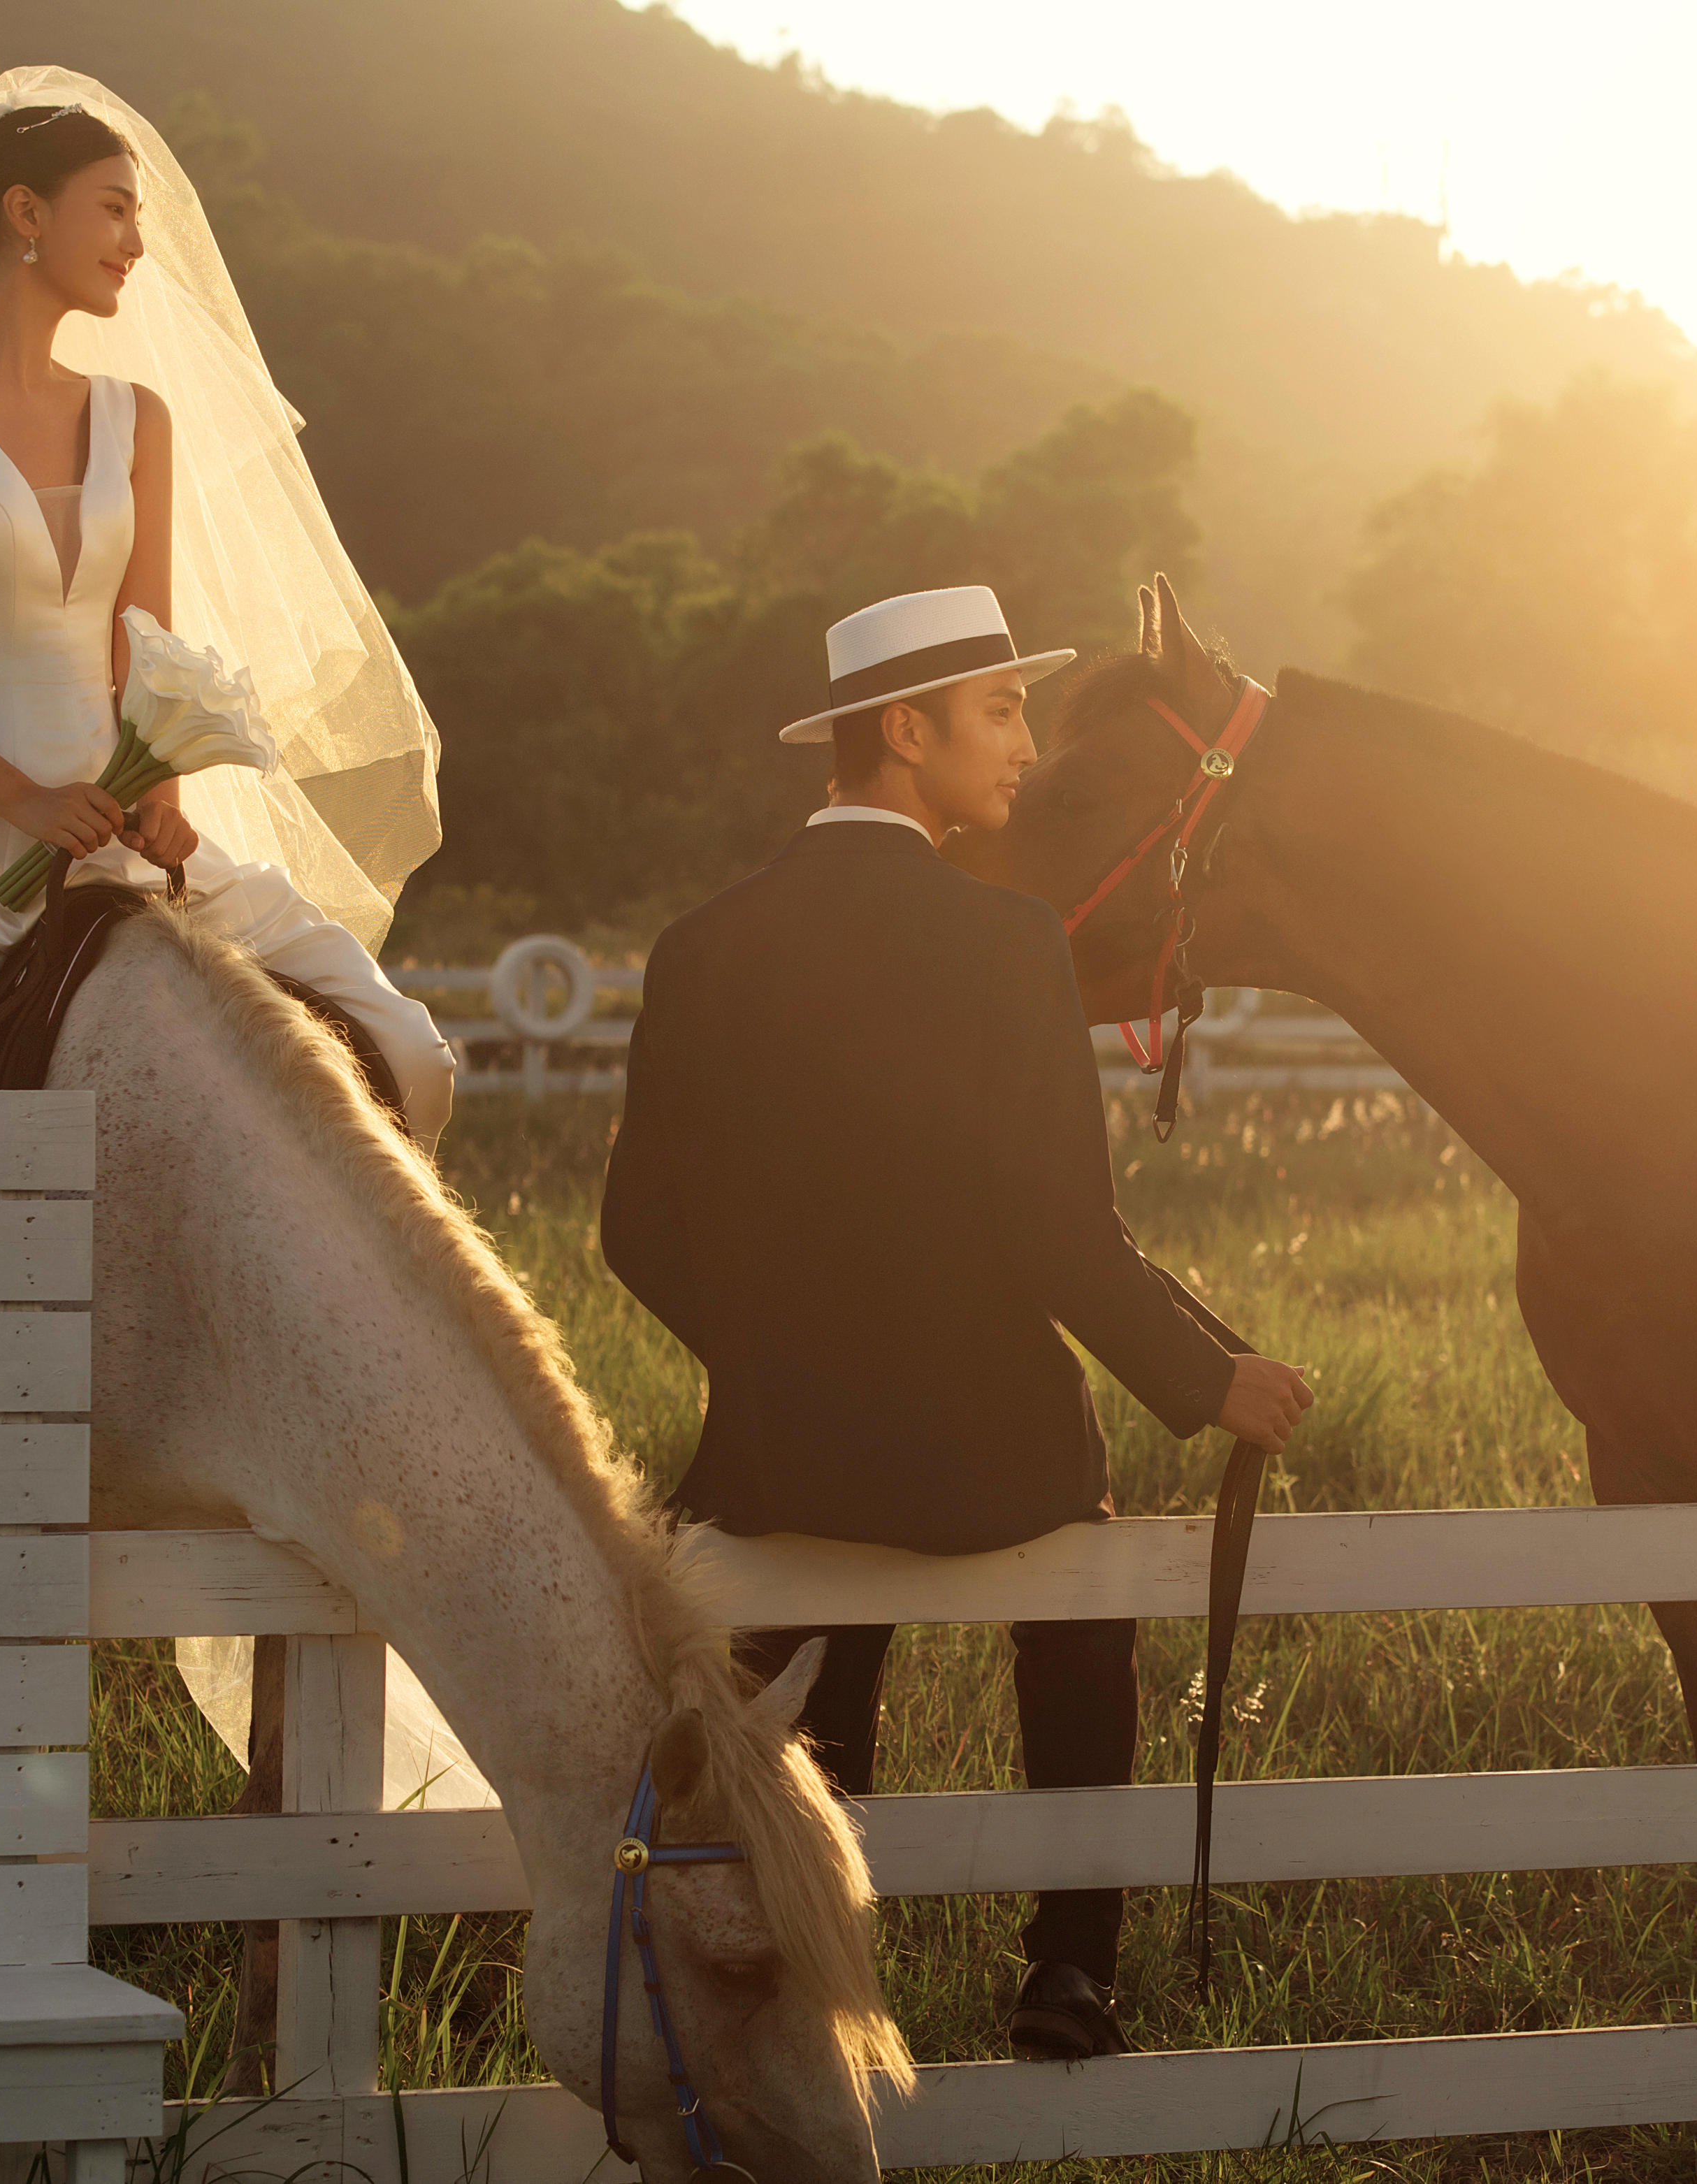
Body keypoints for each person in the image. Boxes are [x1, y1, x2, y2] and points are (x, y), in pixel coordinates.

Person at [601, 584, 1317, 2061]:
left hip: (779, 1456)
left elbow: (633, 1232)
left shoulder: (699, 946)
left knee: (810, 1695)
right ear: (905, 732)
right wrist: (1212, 1379)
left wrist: (776, 1354)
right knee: (1080, 1619)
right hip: (997, 1452)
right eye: (998, 713)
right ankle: (1068, 1970)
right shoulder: (1004, 943)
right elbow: (1061, 1233)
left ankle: (809, 1970)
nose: (1024, 748)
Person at [0, 68, 457, 1131]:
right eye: (113, 209)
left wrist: (164, 797)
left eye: (138, 216)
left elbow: (143, 654)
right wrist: (22, 802)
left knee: (399, 1047)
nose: (136, 244)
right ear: (25, 213)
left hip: (117, 809)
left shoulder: (137, 419)